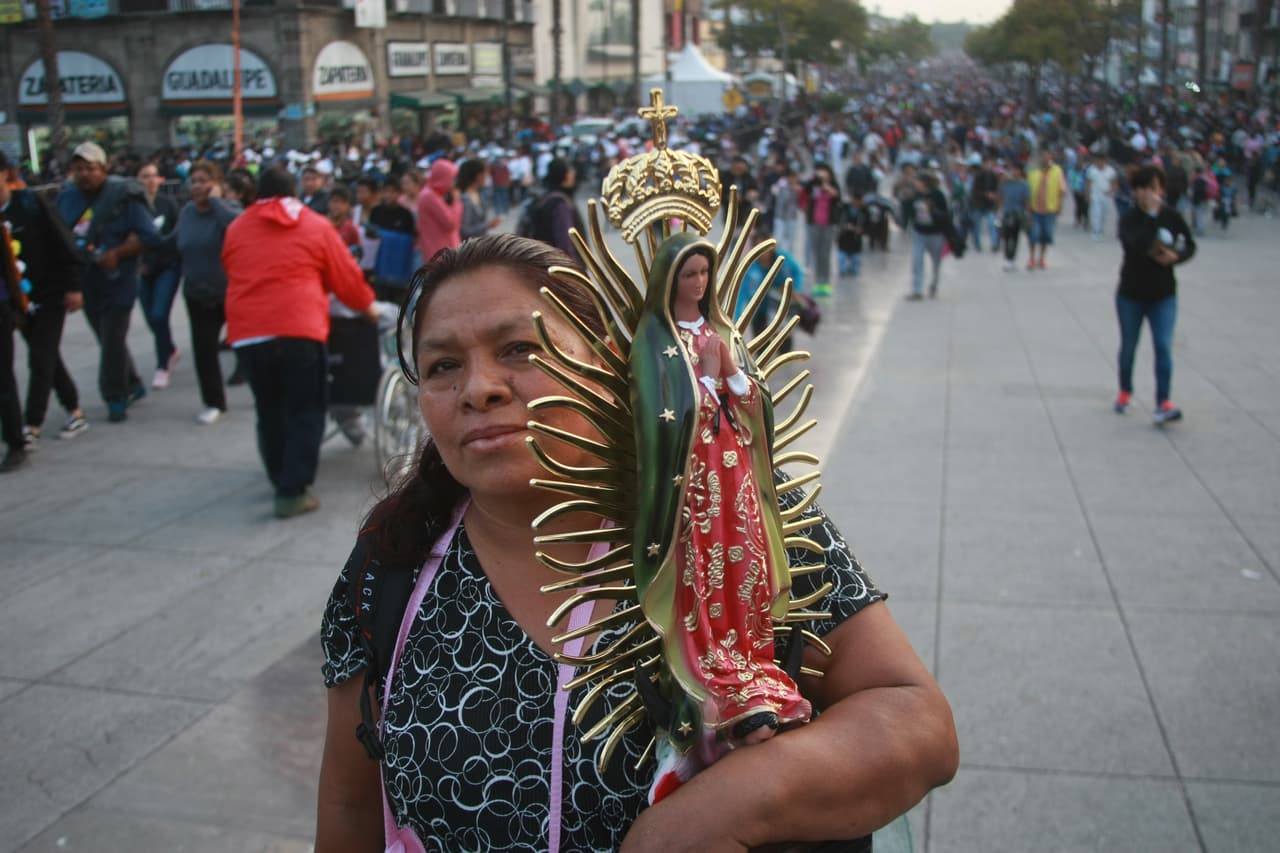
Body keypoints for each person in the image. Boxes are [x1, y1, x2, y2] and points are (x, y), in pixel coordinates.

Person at [314, 233, 957, 850]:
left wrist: (723, 811)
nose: (479, 387)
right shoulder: (391, 559)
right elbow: (350, 804)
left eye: (519, 350)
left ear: (604, 360)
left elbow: (915, 720)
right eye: (443, 365)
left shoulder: (729, 508)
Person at [221, 167, 377, 518]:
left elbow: (231, 269)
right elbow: (347, 280)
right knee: (305, 408)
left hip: (249, 333)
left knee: (269, 408)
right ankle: (292, 491)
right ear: (294, 192)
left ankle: (280, 478)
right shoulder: (315, 225)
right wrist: (367, 307)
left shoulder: (236, 228)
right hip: (299, 329)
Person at [57, 141, 163, 422]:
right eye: (78, 169)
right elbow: (60, 236)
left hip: (119, 279)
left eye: (90, 168)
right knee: (106, 338)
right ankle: (134, 383)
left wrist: (119, 252)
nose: (84, 174)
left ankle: (115, 396)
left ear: (103, 168)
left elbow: (151, 236)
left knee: (113, 336)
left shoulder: (124, 195)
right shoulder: (68, 198)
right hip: (87, 279)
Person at [0, 152, 88, 449]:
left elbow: (63, 243)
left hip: (52, 292)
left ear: (6, 174)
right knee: (48, 355)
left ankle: (31, 424)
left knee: (40, 356)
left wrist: (73, 287)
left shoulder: (31, 204)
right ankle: (74, 409)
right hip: (20, 300)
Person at [1114, 165, 1196, 425]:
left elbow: (1189, 244)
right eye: (1146, 188)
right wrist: (1150, 215)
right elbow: (1138, 244)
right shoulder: (1129, 218)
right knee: (1129, 346)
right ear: (1137, 191)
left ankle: (1163, 402)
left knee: (1162, 345)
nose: (1152, 194)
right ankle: (1125, 390)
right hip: (1131, 294)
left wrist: (1178, 257)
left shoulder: (1171, 216)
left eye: (1156, 188)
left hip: (1163, 294)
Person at [175, 159, 239, 425]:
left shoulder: (228, 210)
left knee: (249, 347)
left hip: (231, 292)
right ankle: (214, 402)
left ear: (217, 185)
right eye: (194, 181)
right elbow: (175, 240)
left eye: (204, 181)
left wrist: (216, 201)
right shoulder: (188, 212)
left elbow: (239, 227)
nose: (198, 187)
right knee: (204, 350)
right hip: (197, 293)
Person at [136, 161, 183, 389]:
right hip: (142, 271)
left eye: (154, 176)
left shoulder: (168, 204)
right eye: (145, 176)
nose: (151, 181)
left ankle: (162, 364)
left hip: (167, 266)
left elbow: (175, 236)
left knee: (158, 314)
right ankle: (170, 349)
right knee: (151, 318)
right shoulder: (134, 208)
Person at [525, 157, 585, 262]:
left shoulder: (546, 197)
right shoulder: (560, 203)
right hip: (559, 265)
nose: (573, 174)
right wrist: (572, 269)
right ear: (565, 175)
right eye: (571, 171)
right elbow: (565, 241)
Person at [903, 171, 949, 300]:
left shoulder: (938, 195)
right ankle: (917, 290)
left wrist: (932, 209)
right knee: (917, 261)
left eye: (917, 181)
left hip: (936, 234)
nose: (915, 183)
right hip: (919, 233)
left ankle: (934, 283)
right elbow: (909, 211)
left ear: (923, 183)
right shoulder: (915, 195)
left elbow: (945, 214)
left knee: (936, 262)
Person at [802, 164, 840, 296]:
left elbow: (837, 196)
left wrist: (826, 186)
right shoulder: (813, 185)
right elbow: (805, 191)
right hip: (814, 223)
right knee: (817, 254)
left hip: (828, 224)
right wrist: (815, 180)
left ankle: (826, 281)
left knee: (825, 254)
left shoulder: (833, 185)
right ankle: (818, 281)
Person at [415, 158, 462, 263]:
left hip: (442, 251)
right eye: (452, 178)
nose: (454, 183)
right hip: (439, 253)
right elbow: (451, 223)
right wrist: (456, 202)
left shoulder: (435, 193)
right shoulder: (429, 196)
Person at [1026, 148, 1066, 270]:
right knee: (1034, 234)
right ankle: (1031, 258)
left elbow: (1061, 190)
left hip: (1050, 208)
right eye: (1042, 156)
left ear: (1051, 157)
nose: (1044, 159)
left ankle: (1042, 258)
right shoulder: (1033, 172)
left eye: (1047, 156)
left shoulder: (1057, 171)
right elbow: (1027, 190)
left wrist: (1060, 206)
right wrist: (1027, 207)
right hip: (1035, 209)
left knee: (1046, 235)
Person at [456, 158, 502, 240]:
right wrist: (488, 225)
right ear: (479, 175)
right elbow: (465, 230)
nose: (488, 176)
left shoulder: (478, 193)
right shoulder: (465, 198)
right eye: (486, 172)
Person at [998, 162, 1030, 272]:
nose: (1014, 172)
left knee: (1015, 237)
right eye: (1013, 170)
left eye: (1016, 170)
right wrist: (999, 212)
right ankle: (1008, 258)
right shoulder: (1006, 183)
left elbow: (1026, 201)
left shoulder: (1024, 184)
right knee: (1006, 236)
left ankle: (1012, 259)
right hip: (1007, 213)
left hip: (1018, 213)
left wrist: (1027, 214)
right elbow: (1001, 197)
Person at [1085, 152, 1118, 242]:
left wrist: (1112, 191)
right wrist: (1087, 194)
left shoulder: (1110, 170)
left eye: (1101, 161)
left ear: (1105, 161)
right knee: (1096, 213)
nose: (1099, 162)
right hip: (1095, 194)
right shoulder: (1092, 170)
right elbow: (1088, 182)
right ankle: (1096, 231)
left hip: (1106, 195)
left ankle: (1100, 229)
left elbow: (1114, 182)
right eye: (1098, 161)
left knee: (1104, 214)